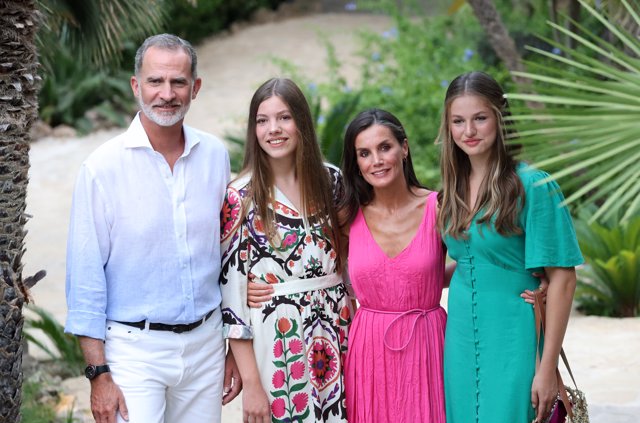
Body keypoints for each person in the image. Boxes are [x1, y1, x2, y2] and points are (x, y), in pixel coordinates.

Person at [64, 34, 241, 423]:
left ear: (195, 87)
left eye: (178, 82)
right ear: (136, 86)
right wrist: (98, 374)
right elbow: (86, 277)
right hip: (133, 353)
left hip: (207, 348)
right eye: (155, 81)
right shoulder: (101, 168)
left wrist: (233, 348)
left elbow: (231, 255)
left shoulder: (215, 156)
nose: (167, 93)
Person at [436, 71, 583, 423]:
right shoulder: (451, 191)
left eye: (480, 118)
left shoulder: (534, 185)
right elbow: (474, 259)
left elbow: (563, 280)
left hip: (514, 333)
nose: (468, 131)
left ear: (501, 119)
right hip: (459, 339)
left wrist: (546, 369)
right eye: (458, 121)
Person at [219, 77, 353, 423]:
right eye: (262, 120)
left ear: (302, 123)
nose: (273, 129)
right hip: (278, 343)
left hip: (340, 333)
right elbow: (232, 302)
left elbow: (355, 254)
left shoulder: (333, 181)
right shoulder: (240, 197)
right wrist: (252, 384)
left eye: (284, 118)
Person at [337, 109, 447, 422]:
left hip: (428, 342)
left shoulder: (438, 208)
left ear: (405, 148)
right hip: (369, 349)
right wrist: (258, 287)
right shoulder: (347, 216)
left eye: (385, 147)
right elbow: (319, 271)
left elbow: (475, 263)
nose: (377, 160)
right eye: (364, 153)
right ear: (356, 162)